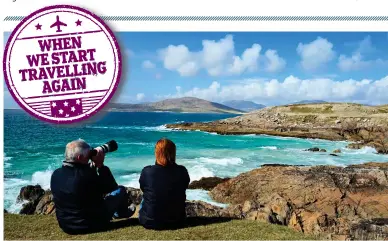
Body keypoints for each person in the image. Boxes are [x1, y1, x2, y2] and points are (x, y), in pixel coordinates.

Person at [50, 139, 136, 234]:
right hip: (92, 224)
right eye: (88, 154)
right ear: (79, 157)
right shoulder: (86, 175)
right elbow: (111, 187)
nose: (90, 156)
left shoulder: (56, 174)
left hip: (66, 226)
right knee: (120, 190)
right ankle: (122, 213)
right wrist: (100, 165)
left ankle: (117, 213)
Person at [138, 138, 190, 230]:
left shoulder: (147, 171)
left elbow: (143, 188)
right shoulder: (182, 170)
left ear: (156, 153)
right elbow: (184, 186)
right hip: (178, 221)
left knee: (146, 196)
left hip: (149, 222)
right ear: (173, 152)